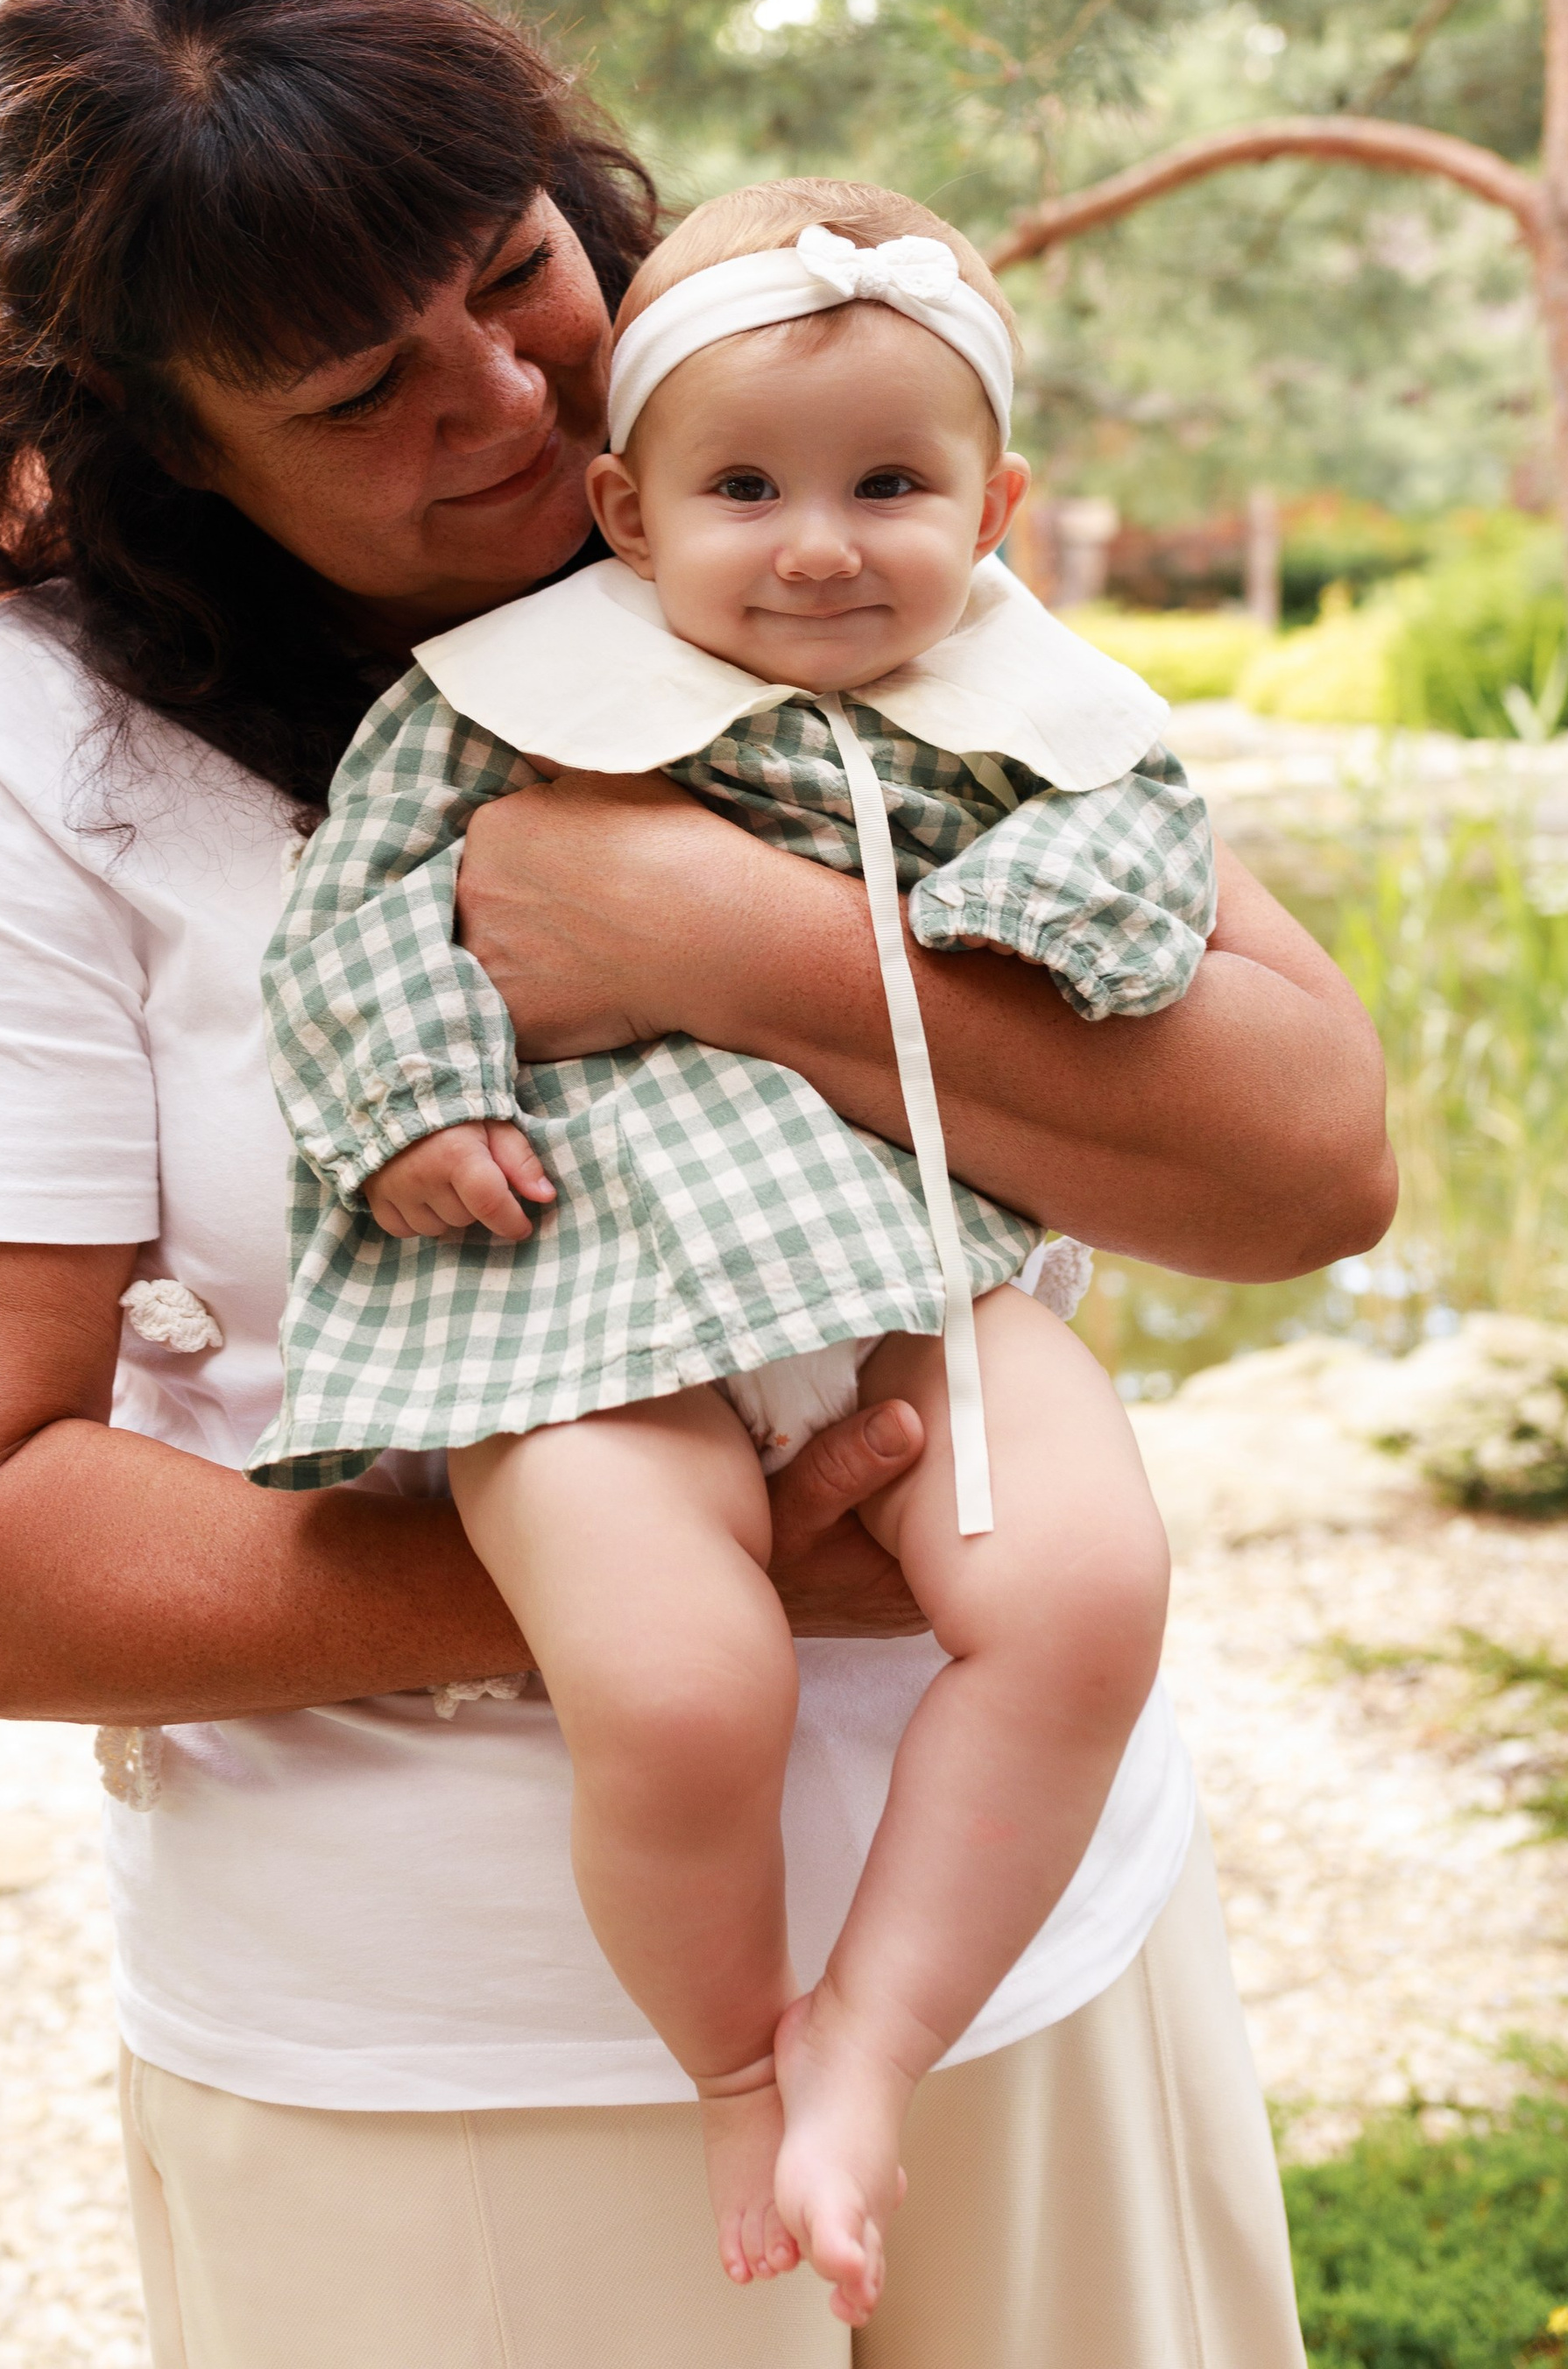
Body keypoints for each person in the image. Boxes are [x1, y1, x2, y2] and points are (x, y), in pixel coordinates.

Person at [0, 0, 1392, 2369]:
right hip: (440, 2070)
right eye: (355, 393)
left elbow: (1311, 1161)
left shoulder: (827, 530)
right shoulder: (42, 754)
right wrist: (720, 1581)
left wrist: (717, 940)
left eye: (511, 266)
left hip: (1025, 1956)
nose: (513, 402)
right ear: (166, 444)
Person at [258, 178, 1207, 2316]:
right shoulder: (501, 695)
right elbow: (349, 915)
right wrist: (414, 1098)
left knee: (1082, 1591)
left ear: (994, 504)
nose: (815, 542)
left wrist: (1004, 933)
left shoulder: (1026, 702)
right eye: (745, 487)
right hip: (572, 1279)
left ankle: (870, 2027)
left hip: (894, 1251)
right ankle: (728, 2061)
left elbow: (1145, 848)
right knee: (679, 1685)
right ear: (623, 503)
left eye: (891, 483)